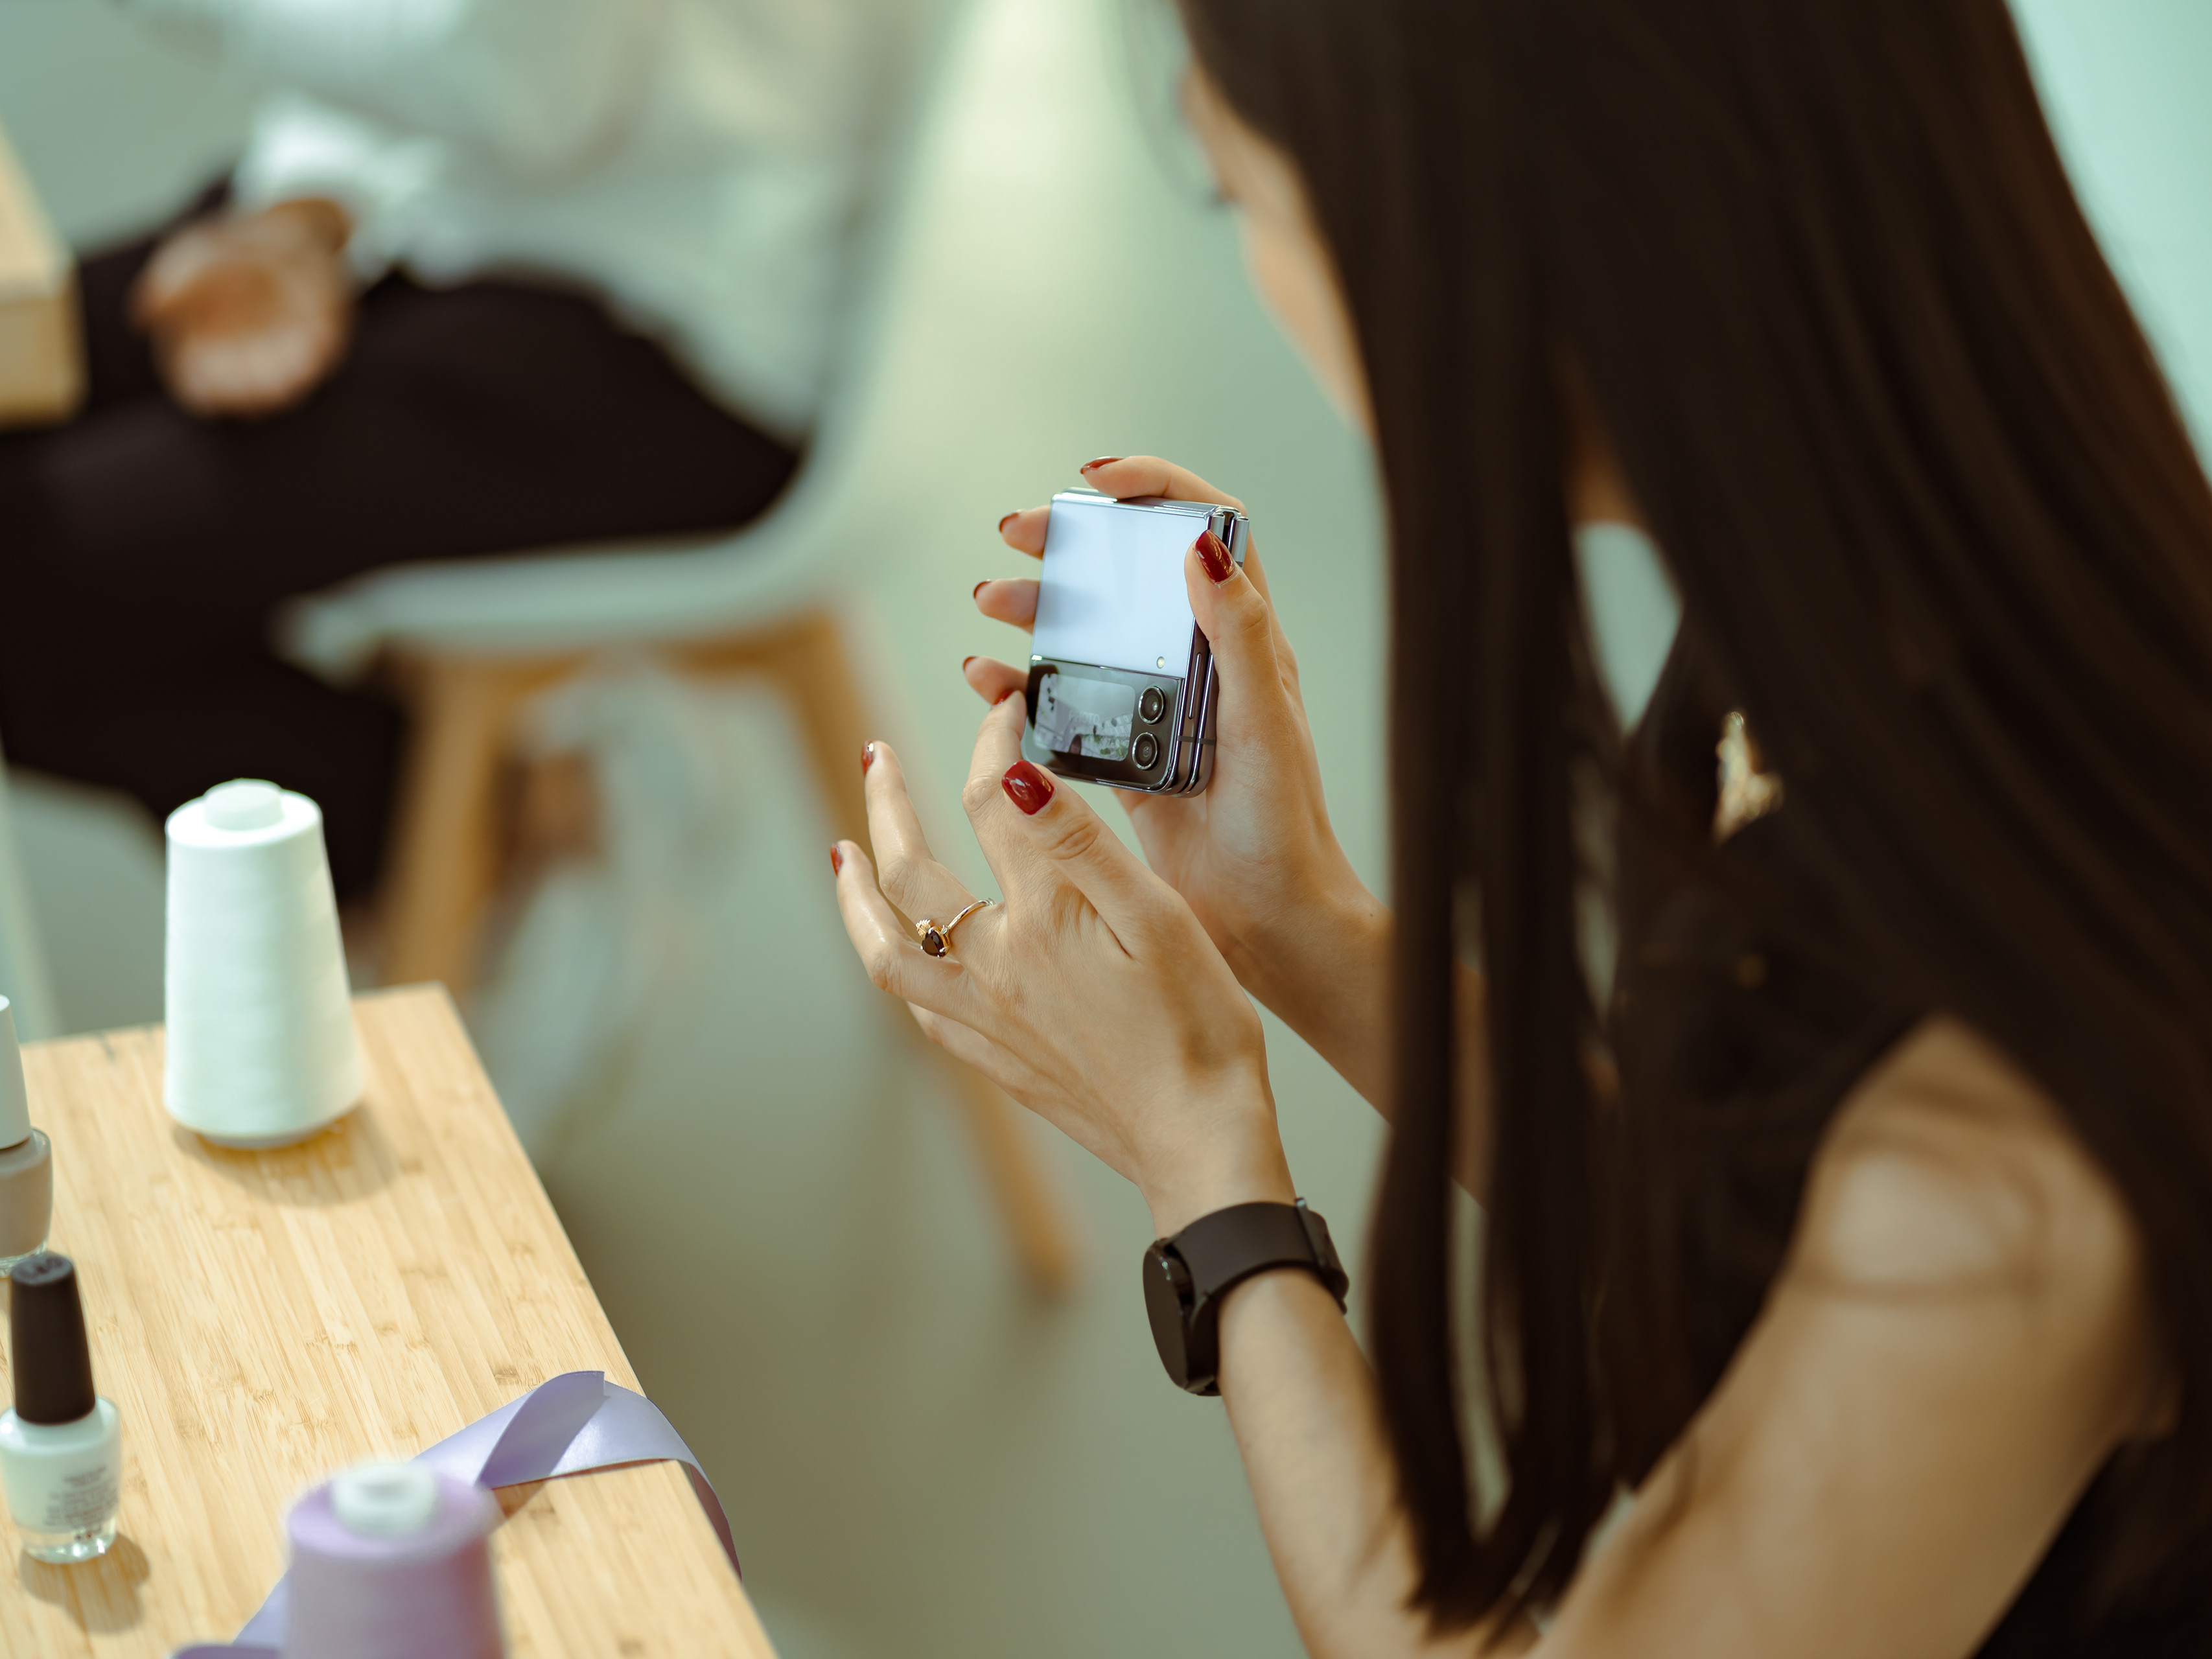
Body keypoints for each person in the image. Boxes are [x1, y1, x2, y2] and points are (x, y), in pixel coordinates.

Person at [830, 0, 2212, 1652]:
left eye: (1244, 194)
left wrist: (1205, 1161)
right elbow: (1751, 1227)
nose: (1260, 276)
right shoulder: (1888, 635)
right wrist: (1291, 920)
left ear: (1512, 241)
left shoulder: (2003, 1153)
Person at [0, 0, 909, 896]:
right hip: (455, 212)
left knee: (27, 576)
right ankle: (494, 806)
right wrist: (308, 210)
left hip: (661, 317)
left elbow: (528, 86)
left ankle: (506, 818)